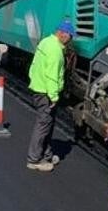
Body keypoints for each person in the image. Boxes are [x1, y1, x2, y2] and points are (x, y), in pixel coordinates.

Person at [27, 21, 75, 172]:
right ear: (62, 34)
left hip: (38, 88)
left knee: (48, 123)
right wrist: (54, 97)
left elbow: (35, 65)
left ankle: (46, 155)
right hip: (46, 93)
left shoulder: (45, 42)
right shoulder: (56, 52)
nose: (71, 40)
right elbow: (52, 76)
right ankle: (34, 159)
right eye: (70, 36)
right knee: (43, 125)